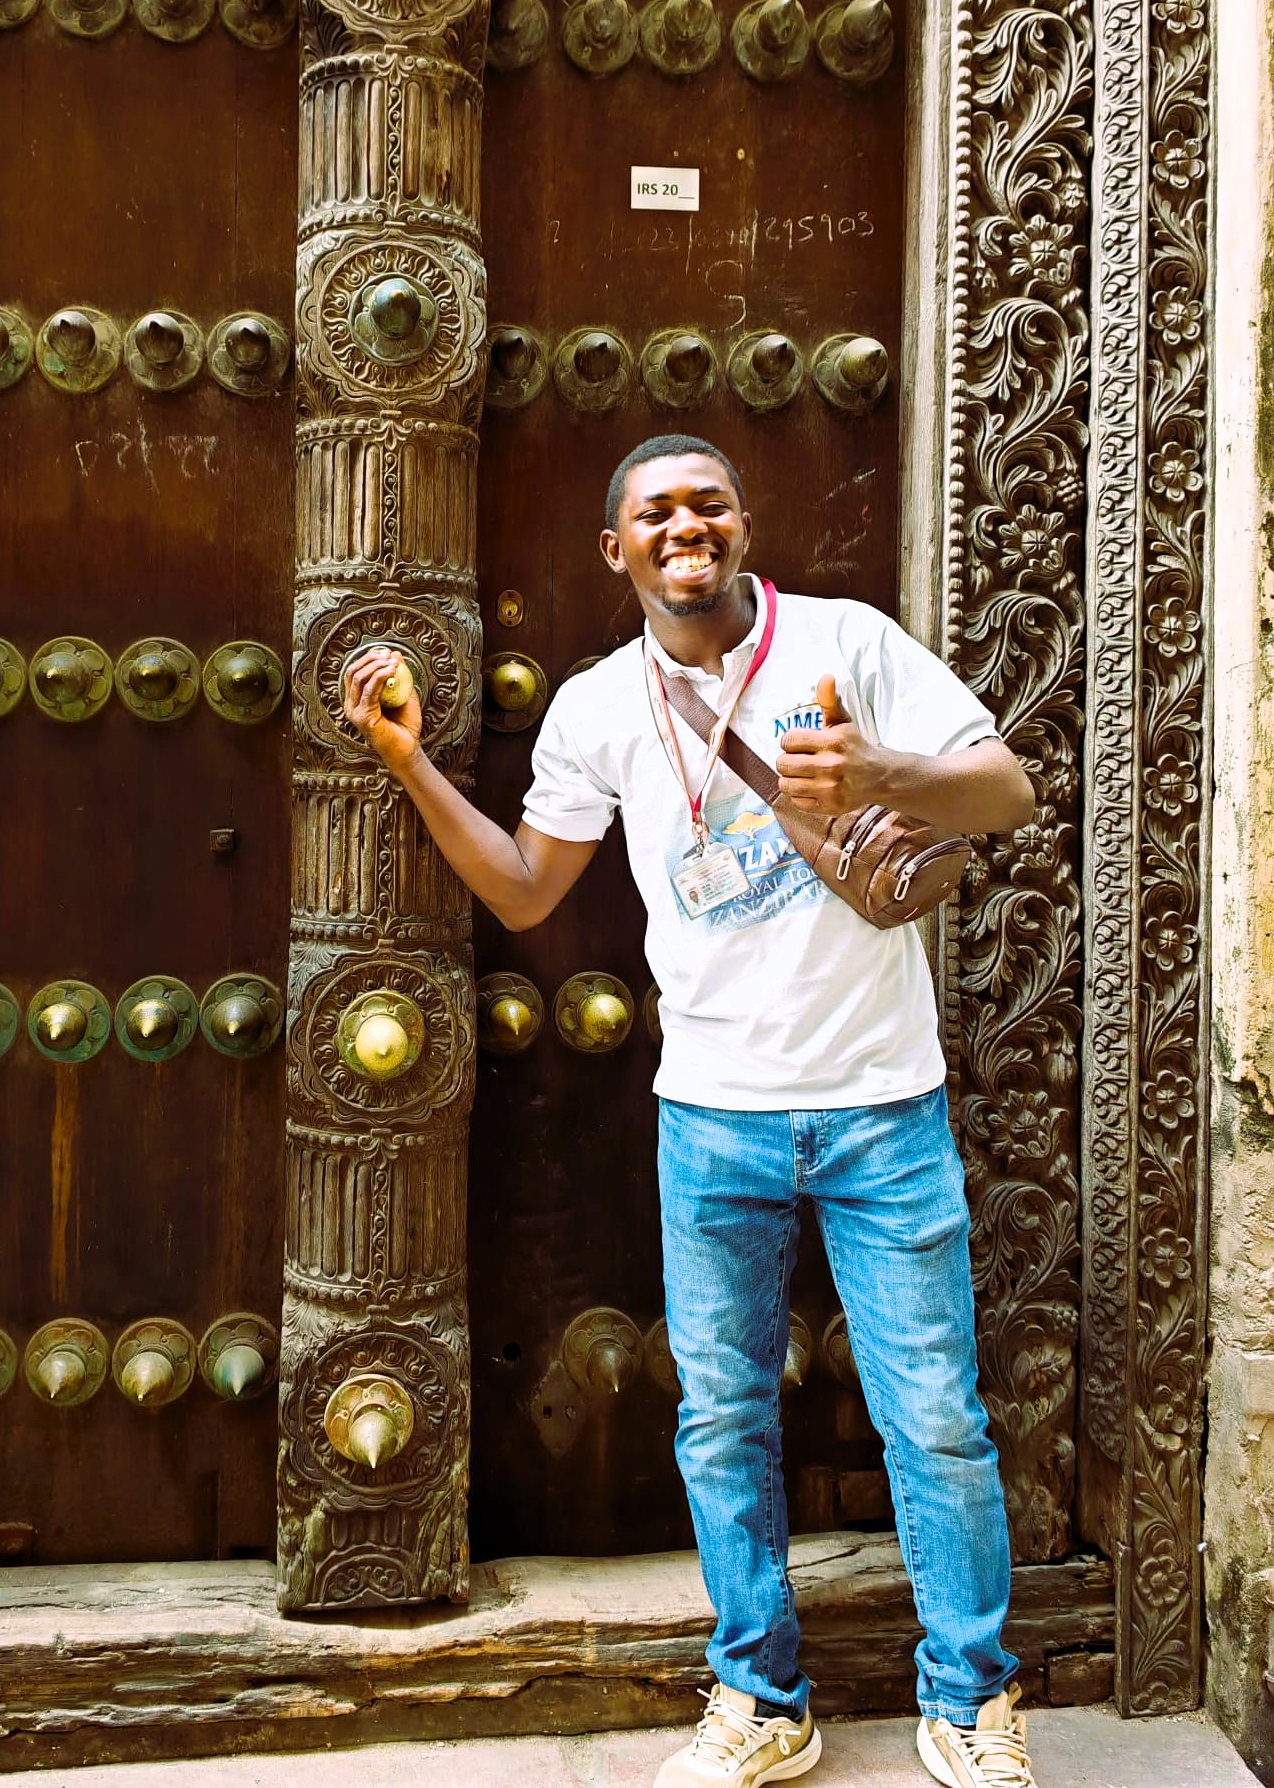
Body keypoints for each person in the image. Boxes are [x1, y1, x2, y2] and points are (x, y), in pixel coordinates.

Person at [343, 434, 1039, 1788]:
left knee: (935, 1417)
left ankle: (972, 1697)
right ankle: (763, 1701)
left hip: (881, 1108)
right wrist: (411, 764)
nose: (684, 528)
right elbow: (531, 890)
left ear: (742, 524)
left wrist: (876, 773)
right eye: (654, 513)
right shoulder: (600, 708)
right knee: (722, 1419)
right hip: (712, 1119)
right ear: (617, 550)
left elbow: (1005, 788)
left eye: (706, 506)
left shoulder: (846, 640)